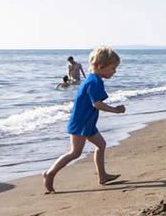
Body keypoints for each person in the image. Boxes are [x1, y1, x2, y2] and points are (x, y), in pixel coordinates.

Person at [42, 47, 126, 193]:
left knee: (101, 145)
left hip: (87, 122)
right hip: (81, 123)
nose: (115, 72)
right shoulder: (94, 82)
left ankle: (103, 176)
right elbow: (97, 104)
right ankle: (50, 173)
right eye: (113, 68)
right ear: (101, 67)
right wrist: (115, 110)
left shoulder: (94, 79)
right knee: (75, 152)